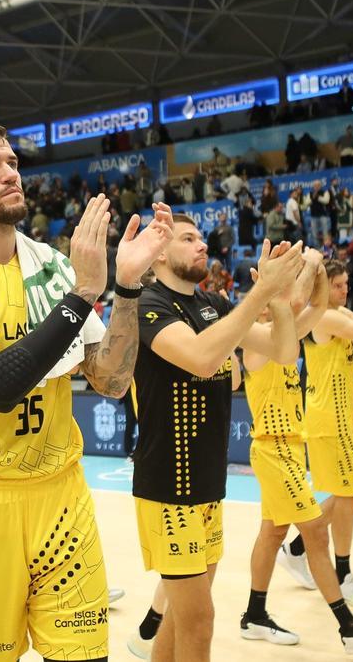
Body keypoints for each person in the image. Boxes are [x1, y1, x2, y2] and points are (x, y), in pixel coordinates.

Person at [0, 121, 172, 662]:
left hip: (62, 492)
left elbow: (111, 381)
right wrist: (86, 292)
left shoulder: (55, 266)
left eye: (12, 162)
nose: (9, 173)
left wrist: (128, 288)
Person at [129, 224, 304, 662]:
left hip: (207, 484)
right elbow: (203, 358)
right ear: (159, 254)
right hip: (168, 487)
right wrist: (261, 292)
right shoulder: (148, 306)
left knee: (182, 618)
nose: (201, 244)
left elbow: (283, 350)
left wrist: (279, 301)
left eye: (200, 237)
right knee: (200, 621)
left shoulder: (213, 303)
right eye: (187, 238)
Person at [241, 250, 353, 654]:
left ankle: (254, 615)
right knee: (313, 532)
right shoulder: (255, 346)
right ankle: (348, 627)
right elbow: (298, 305)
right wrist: (303, 269)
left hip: (291, 449)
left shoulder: (287, 336)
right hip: (272, 450)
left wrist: (318, 271)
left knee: (273, 532)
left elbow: (313, 304)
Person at [276, 254, 353, 614]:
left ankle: (298, 549)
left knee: (351, 496)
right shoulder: (325, 317)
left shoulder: (338, 313)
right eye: (338, 285)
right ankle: (342, 576)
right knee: (350, 495)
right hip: (328, 420)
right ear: (321, 287)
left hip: (338, 418)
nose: (346, 290)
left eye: (348, 284)